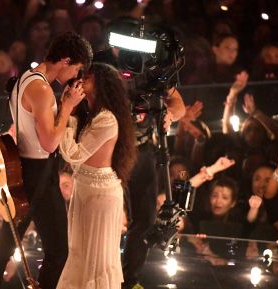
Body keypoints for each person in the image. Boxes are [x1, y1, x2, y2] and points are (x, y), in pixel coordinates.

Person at [0, 31, 93, 289]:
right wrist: (67, 105)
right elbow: (49, 142)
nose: (76, 76)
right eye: (76, 68)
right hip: (38, 171)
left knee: (7, 242)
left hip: (22, 167)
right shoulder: (41, 89)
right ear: (65, 60)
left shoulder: (24, 79)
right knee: (58, 251)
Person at [94, 17, 186, 289]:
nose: (126, 54)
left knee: (145, 218)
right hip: (105, 150)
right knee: (106, 215)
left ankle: (129, 279)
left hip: (142, 148)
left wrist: (169, 115)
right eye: (119, 47)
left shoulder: (152, 63)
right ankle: (100, 275)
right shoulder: (97, 65)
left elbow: (178, 103)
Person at [56, 62, 137, 289]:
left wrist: (65, 111)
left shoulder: (107, 119)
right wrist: (70, 112)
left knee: (97, 260)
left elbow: (74, 154)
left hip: (100, 194)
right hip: (84, 188)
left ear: (102, 85)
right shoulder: (90, 115)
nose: (80, 82)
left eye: (87, 78)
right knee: (79, 252)